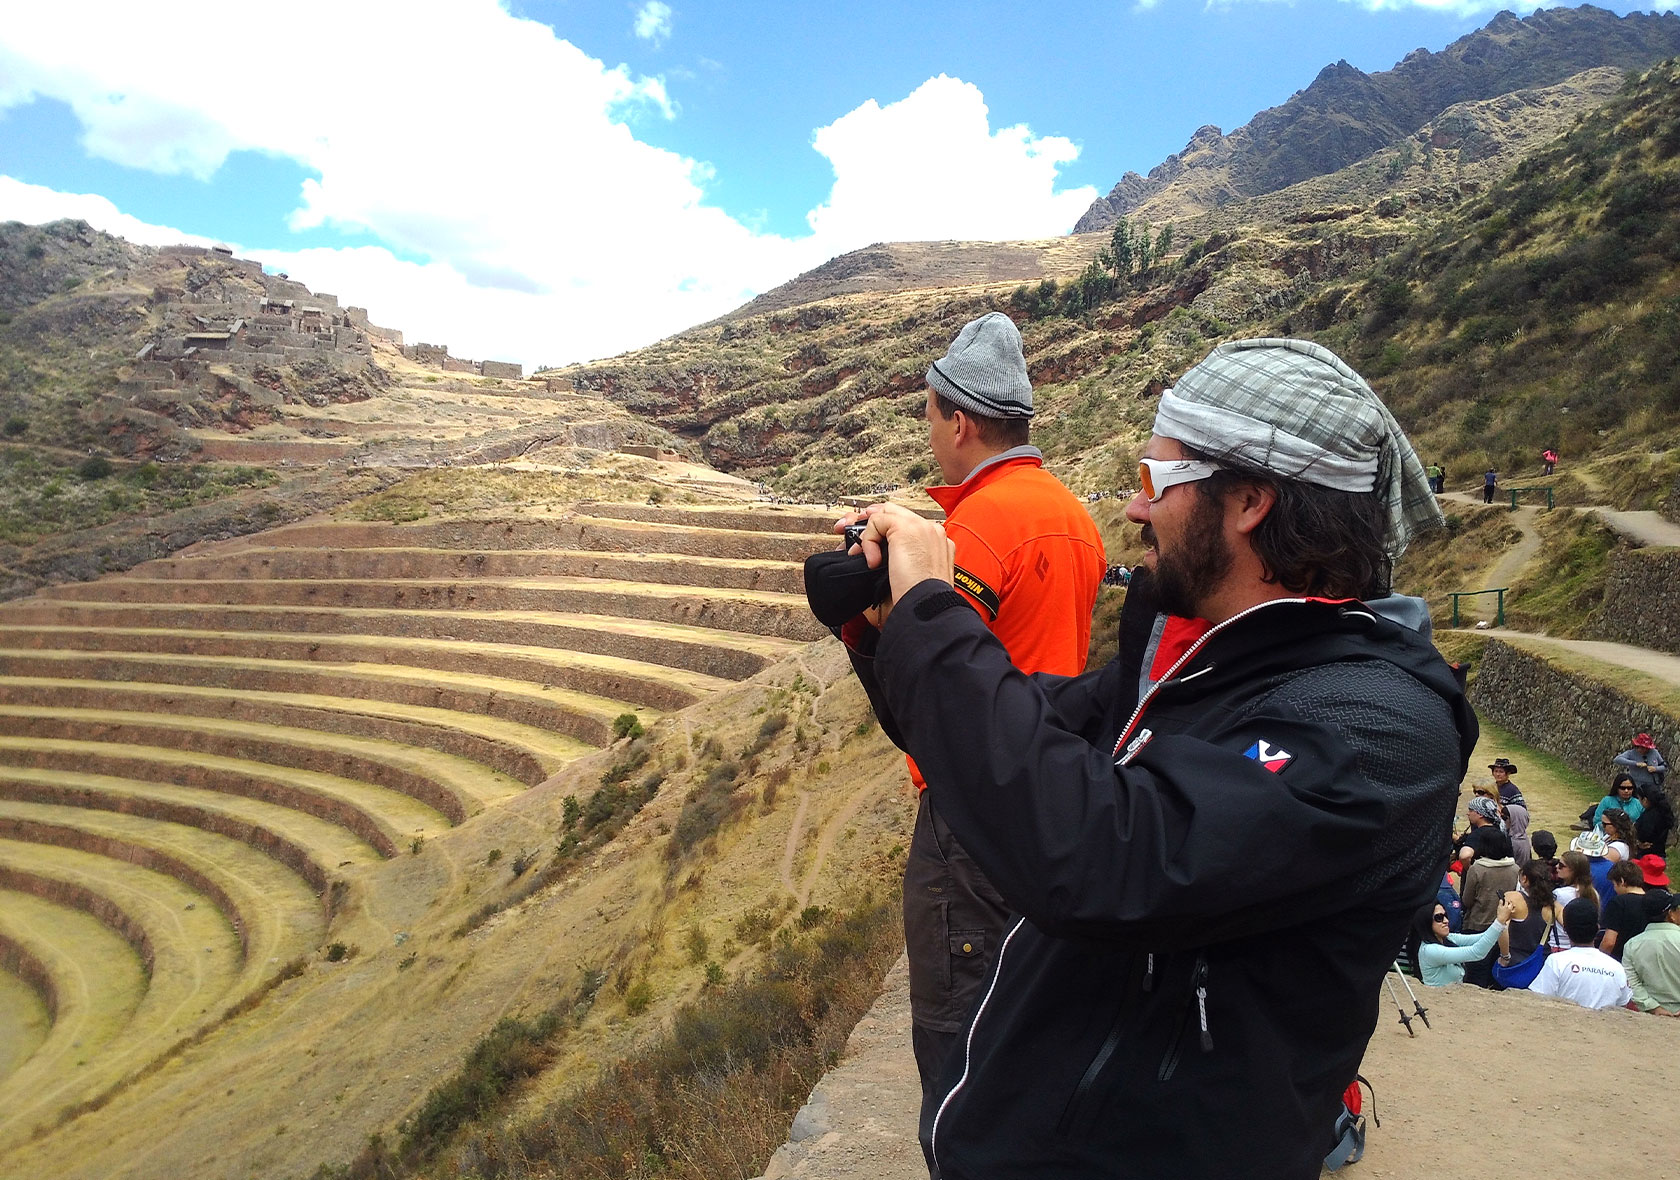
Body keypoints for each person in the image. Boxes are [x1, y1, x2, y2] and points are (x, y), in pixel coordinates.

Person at [839, 337, 1472, 1179]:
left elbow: (1103, 858)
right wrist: (881, 632)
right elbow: (1026, 730)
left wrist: (932, 607)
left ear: (1248, 501)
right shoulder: (1220, 662)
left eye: (1153, 483)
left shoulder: (1370, 726)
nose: (1136, 513)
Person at [836, 310, 1106, 1112]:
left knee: (960, 1024)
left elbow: (933, 678)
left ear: (958, 419)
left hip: (973, 803)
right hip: (1048, 773)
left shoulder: (981, 525)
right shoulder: (1069, 511)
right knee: (1026, 1005)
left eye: (928, 413)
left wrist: (860, 616)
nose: (928, 431)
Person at [1530, 899, 1631, 1009]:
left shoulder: (1556, 962)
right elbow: (1623, 1004)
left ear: (1565, 929)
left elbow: (1539, 998)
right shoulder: (1617, 968)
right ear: (1597, 928)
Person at [1459, 826, 1518, 986]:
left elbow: (1467, 900)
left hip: (1477, 924)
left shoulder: (1477, 869)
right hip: (1503, 927)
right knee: (1495, 969)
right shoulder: (1515, 869)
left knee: (1475, 972)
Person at [1407, 898, 1509, 986]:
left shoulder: (1447, 938)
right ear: (1426, 922)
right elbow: (1477, 952)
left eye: (1445, 915)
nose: (1446, 920)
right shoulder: (1430, 950)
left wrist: (1504, 920)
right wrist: (1499, 922)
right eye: (1439, 918)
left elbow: (1481, 937)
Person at [1623, 892, 1680, 1014]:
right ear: (1670, 914)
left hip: (1649, 1016)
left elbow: (1632, 983)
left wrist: (1654, 1007)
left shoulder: (1632, 945)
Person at [1635, 783, 1675, 860]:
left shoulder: (1649, 816)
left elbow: (1644, 834)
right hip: (1660, 854)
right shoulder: (1664, 811)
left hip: (1647, 856)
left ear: (1645, 800)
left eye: (1640, 799)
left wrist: (1638, 842)